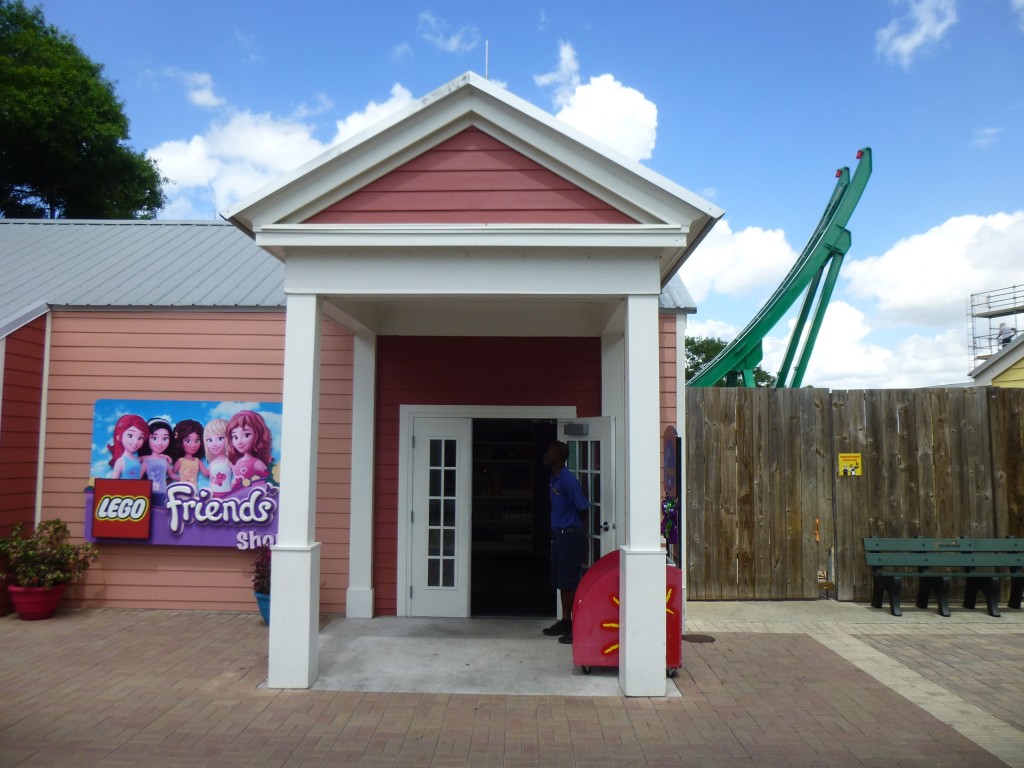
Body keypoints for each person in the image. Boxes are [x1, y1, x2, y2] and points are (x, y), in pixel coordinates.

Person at [541, 441, 590, 645]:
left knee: (570, 583)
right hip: (559, 535)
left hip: (570, 536)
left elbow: (584, 508)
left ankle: (576, 625)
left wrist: (579, 535)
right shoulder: (554, 478)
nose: (545, 455)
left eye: (549, 451)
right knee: (562, 582)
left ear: (559, 457)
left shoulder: (568, 481)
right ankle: (565, 620)